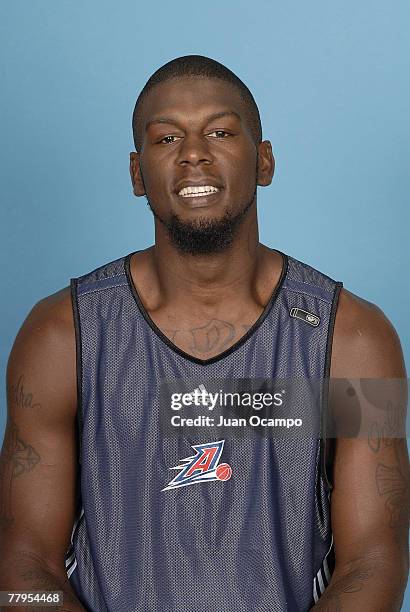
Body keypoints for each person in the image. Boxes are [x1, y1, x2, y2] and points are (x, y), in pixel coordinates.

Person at [0, 55, 408, 612]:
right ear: (137, 174)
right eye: (167, 139)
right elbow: (23, 567)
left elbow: (376, 560)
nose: (193, 153)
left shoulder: (354, 339)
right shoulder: (59, 337)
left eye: (220, 132)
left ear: (264, 161)